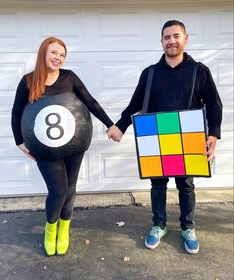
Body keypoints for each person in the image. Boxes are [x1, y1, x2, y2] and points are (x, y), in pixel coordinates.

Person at [107, 20, 223, 254]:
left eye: (176, 36)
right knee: (157, 185)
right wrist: (120, 126)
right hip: (156, 138)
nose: (172, 41)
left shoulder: (199, 71)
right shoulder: (150, 73)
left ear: (185, 39)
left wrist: (214, 134)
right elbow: (135, 105)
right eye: (167, 37)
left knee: (186, 185)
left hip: (189, 138)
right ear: (161, 42)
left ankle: (188, 228)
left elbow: (214, 103)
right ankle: (158, 225)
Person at [11, 36, 118, 256]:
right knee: (58, 190)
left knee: (70, 189)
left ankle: (65, 229)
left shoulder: (70, 77)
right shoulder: (29, 81)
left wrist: (110, 125)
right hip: (45, 148)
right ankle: (51, 229)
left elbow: (90, 102)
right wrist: (19, 141)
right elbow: (16, 112)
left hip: (74, 144)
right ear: (43, 53)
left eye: (62, 54)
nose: (58, 58)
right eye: (54, 52)